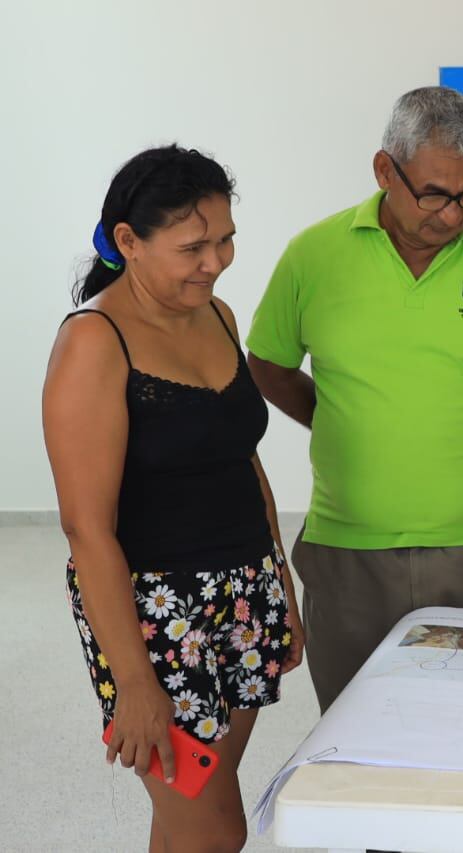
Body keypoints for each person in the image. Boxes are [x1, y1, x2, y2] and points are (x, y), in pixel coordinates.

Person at [246, 86, 463, 711]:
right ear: (383, 170)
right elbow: (268, 362)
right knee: (355, 739)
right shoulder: (314, 257)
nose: (453, 215)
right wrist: (334, 418)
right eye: (434, 193)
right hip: (349, 554)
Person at [43, 145, 303, 851]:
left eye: (225, 240)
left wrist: (281, 586)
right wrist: (134, 682)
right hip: (157, 619)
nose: (215, 261)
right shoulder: (95, 343)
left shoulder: (215, 313)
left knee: (189, 819)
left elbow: (242, 459)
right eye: (193, 246)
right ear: (128, 241)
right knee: (215, 828)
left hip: (245, 594)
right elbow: (86, 529)